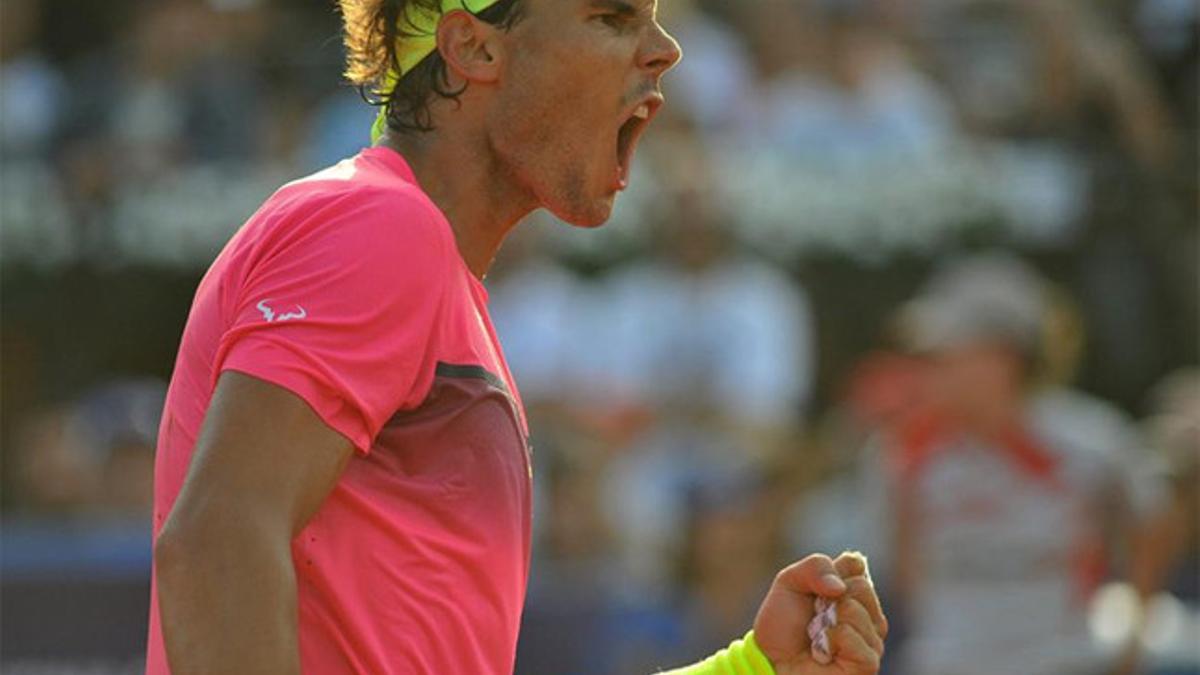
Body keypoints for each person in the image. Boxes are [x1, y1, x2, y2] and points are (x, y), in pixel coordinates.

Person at [146, 1, 888, 674]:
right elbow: (217, 542)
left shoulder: (430, 276)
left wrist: (754, 669)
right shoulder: (377, 224)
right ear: (474, 48)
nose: (665, 51)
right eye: (613, 18)